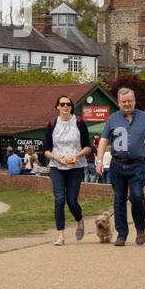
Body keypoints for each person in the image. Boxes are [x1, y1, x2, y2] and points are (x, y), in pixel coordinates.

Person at [94, 87, 145, 246]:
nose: (127, 104)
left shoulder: (144, 117)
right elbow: (103, 141)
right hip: (117, 164)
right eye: (123, 101)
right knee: (119, 199)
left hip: (137, 164)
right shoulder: (113, 119)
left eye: (129, 101)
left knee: (137, 196)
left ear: (134, 101)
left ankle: (140, 229)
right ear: (118, 102)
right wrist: (99, 161)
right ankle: (121, 234)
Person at [41, 95, 92, 245]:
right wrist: (55, 158)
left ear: (71, 107)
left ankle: (79, 220)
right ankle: (61, 235)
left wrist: (77, 155)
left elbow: (88, 147)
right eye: (62, 104)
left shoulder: (79, 123)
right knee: (59, 199)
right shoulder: (52, 124)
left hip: (75, 167)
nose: (65, 107)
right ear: (57, 106)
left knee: (71, 201)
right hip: (57, 166)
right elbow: (46, 149)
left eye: (68, 104)